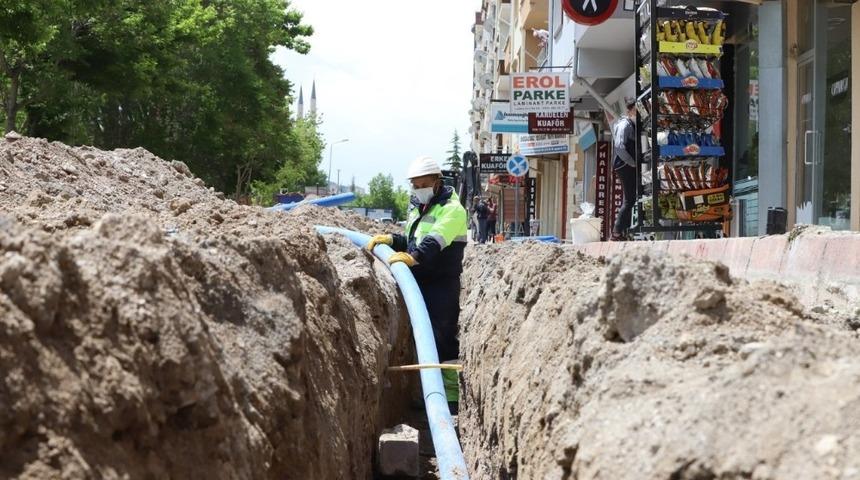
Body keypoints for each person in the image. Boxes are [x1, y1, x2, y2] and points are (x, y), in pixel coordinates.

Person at [366, 156, 468, 411]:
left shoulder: (453, 210)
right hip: (418, 280)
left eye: (424, 185)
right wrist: (392, 240)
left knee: (442, 337)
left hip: (441, 283)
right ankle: (424, 393)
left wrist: (414, 257)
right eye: (415, 185)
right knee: (417, 338)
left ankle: (450, 400)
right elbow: (414, 240)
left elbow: (434, 241)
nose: (419, 189)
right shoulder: (417, 208)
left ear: (437, 182)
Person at [611, 100, 638, 241]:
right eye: (635, 110)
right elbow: (619, 147)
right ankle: (616, 232)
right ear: (629, 111)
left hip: (626, 165)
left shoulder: (630, 124)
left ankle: (623, 232)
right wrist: (632, 163)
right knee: (629, 199)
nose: (637, 113)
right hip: (624, 165)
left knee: (630, 198)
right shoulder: (624, 125)